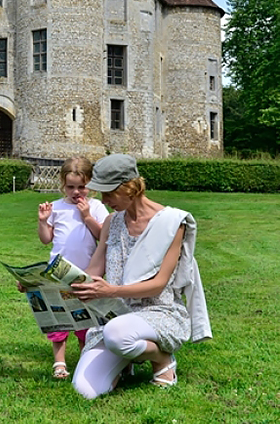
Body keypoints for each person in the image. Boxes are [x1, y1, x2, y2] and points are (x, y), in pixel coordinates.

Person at [69, 154, 211, 399]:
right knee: (85, 390)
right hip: (116, 314)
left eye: (109, 193)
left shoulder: (171, 223)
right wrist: (44, 283)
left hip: (159, 312)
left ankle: (161, 358)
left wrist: (111, 291)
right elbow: (93, 271)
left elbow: (158, 285)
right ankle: (126, 360)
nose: (104, 201)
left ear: (130, 188)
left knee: (116, 334)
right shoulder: (112, 222)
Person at [36, 156, 109, 380]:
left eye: (82, 187)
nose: (76, 192)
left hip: (86, 272)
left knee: (85, 320)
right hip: (58, 272)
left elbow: (102, 236)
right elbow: (46, 239)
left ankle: (86, 358)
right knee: (59, 319)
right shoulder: (56, 208)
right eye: (70, 187)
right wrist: (43, 221)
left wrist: (87, 216)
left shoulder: (96, 207)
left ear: (90, 185)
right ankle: (59, 363)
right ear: (63, 184)